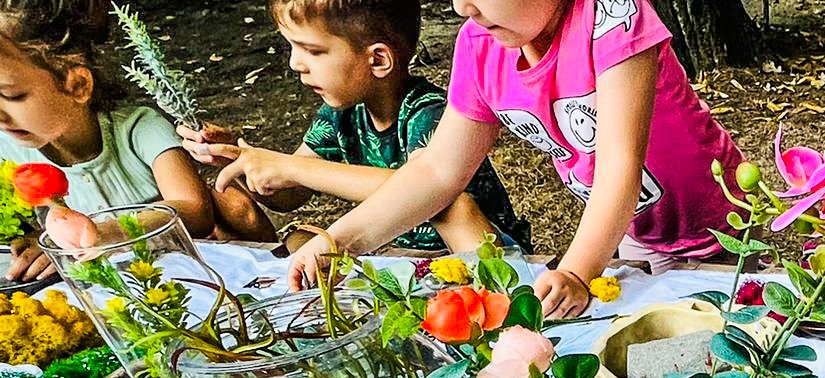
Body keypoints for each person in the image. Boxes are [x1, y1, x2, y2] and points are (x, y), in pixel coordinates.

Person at [287, 0, 746, 318]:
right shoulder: (480, 45)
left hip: (720, 229)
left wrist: (575, 271)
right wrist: (338, 241)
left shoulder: (611, 16)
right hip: (635, 231)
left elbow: (619, 167)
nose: (462, 8)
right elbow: (437, 170)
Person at [0, 0, 245, 288]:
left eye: (11, 95)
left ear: (77, 85)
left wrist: (101, 234)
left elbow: (193, 210)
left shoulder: (140, 130)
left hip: (185, 288)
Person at [177, 0, 531, 255]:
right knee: (299, 240)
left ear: (377, 59)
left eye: (312, 51)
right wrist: (241, 159)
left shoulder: (429, 112)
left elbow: (427, 188)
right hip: (405, 258)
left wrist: (290, 166)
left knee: (447, 208)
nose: (295, 63)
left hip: (479, 251)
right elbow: (290, 196)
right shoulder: (342, 116)